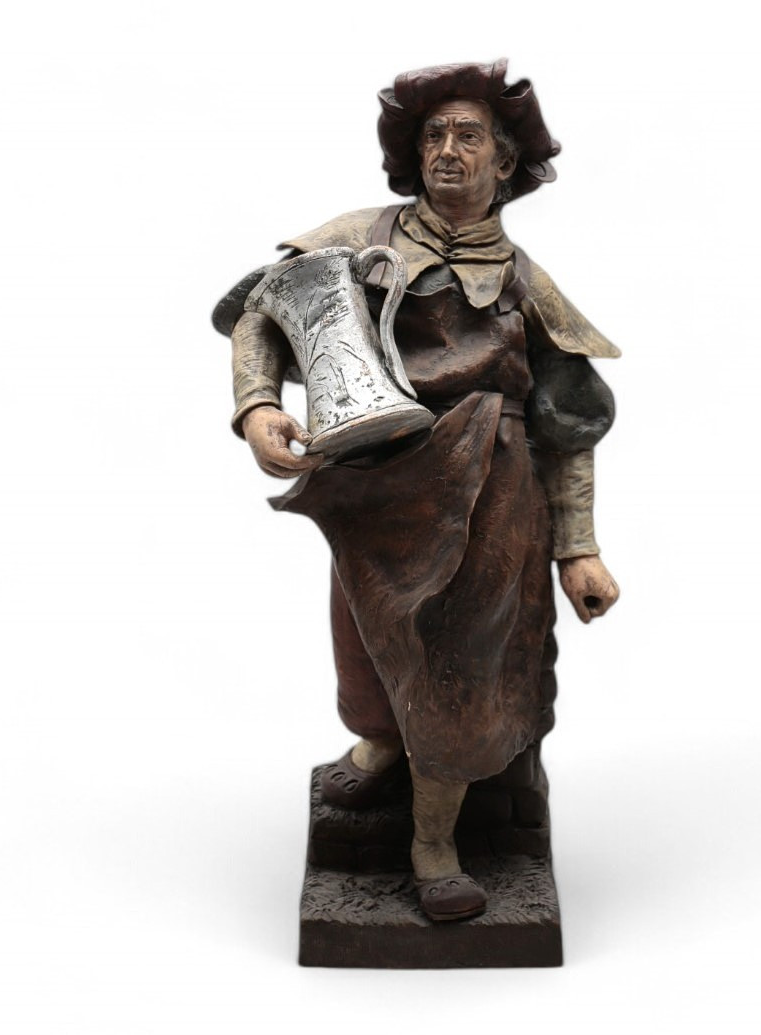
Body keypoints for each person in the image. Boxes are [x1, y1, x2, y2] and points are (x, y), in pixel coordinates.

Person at [213, 60, 620, 922]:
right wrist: (256, 405)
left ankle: (433, 838)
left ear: (504, 162)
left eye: (468, 135)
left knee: (457, 668)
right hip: (373, 486)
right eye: (433, 134)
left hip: (491, 498)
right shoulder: (358, 236)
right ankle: (379, 744)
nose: (446, 148)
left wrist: (578, 548)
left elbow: (569, 426)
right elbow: (260, 313)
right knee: (366, 643)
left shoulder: (526, 283)